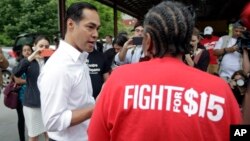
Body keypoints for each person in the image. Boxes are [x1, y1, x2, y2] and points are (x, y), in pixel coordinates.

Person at [88, 1, 242, 141]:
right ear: (188, 40)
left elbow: (95, 136)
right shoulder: (220, 90)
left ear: (147, 41)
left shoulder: (118, 81)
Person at [37, 2, 98, 141]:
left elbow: (81, 102)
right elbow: (53, 121)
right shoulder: (59, 66)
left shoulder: (79, 59)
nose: (95, 34)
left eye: (97, 28)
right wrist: (97, 108)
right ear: (70, 24)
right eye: (90, 27)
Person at [12, 35, 49, 141]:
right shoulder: (28, 62)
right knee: (33, 135)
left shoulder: (50, 61)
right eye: (41, 46)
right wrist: (31, 57)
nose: (43, 48)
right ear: (34, 47)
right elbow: (16, 73)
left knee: (50, 134)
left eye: (46, 46)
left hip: (48, 104)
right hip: (32, 104)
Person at [13, 44, 33, 141]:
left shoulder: (35, 62)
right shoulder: (19, 64)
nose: (27, 52)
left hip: (32, 95)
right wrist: (30, 81)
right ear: (22, 52)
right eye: (24, 50)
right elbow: (17, 80)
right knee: (22, 119)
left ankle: (32, 136)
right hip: (21, 96)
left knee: (32, 119)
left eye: (28, 50)